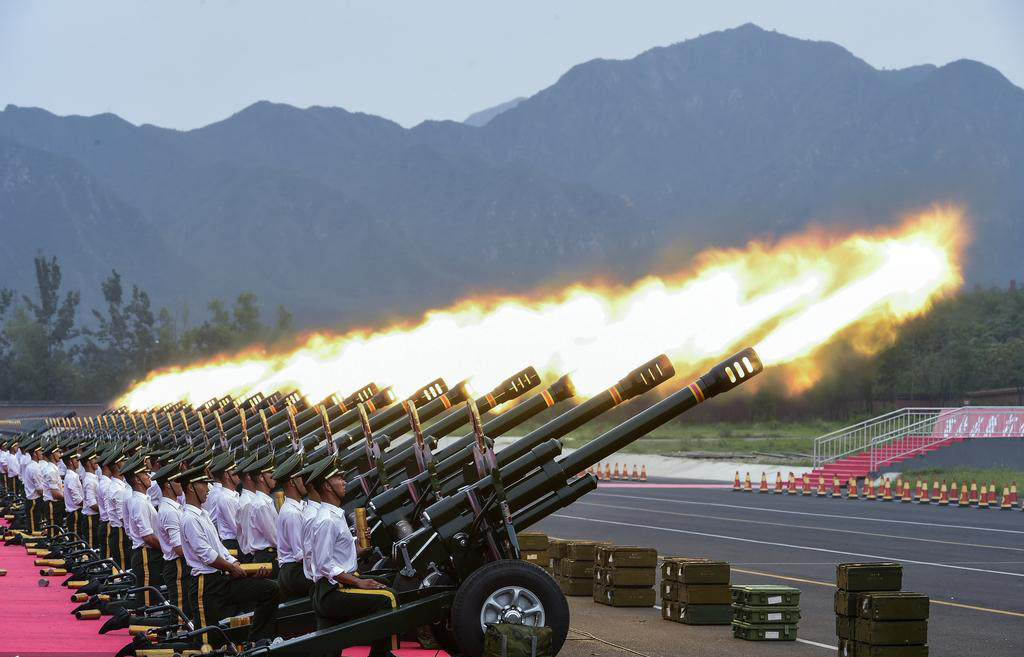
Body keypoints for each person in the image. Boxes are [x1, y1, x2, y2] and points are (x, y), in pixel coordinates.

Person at [177, 463, 280, 647]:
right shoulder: (189, 519)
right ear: (191, 488)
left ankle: (257, 641)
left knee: (270, 590)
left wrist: (235, 564)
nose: (208, 488)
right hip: (205, 584)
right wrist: (232, 567)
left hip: (221, 578)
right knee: (207, 643)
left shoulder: (202, 514)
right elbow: (206, 555)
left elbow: (220, 548)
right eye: (203, 484)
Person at [308, 457, 398, 657]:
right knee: (388, 597)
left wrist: (359, 547)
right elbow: (324, 564)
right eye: (339, 478)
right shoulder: (326, 520)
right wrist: (358, 582)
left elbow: (339, 557)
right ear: (327, 486)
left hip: (333, 586)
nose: (344, 482)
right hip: (332, 591)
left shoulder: (335, 515)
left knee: (385, 581)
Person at [122, 455, 165, 605]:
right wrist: (167, 548)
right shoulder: (139, 502)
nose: (149, 476)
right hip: (146, 554)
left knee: (152, 596)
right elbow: (148, 536)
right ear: (138, 480)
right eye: (145, 474)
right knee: (147, 601)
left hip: (149, 553)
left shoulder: (142, 500)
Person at [154, 460, 191, 618]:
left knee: (185, 611)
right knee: (181, 616)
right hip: (177, 565)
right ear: (168, 485)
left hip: (180, 564)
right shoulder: (170, 511)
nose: (181, 484)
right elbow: (179, 548)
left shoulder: (174, 507)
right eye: (177, 480)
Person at [273, 454, 312, 600]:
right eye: (301, 478)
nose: (305, 481)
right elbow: (301, 554)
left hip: (298, 568)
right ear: (292, 482)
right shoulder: (292, 513)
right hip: (295, 571)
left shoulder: (299, 507)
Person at [241, 455, 278, 573]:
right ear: (261, 478)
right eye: (270, 472)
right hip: (267, 557)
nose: (274, 475)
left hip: (270, 555)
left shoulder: (264, 501)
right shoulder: (261, 504)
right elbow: (275, 537)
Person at [80, 447, 101, 549]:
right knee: (91, 547)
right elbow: (92, 504)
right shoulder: (89, 480)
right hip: (91, 519)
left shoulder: (92, 477)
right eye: (94, 459)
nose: (96, 461)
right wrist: (105, 510)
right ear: (88, 463)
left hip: (94, 517)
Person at [62, 448, 84, 538]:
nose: (78, 462)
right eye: (76, 460)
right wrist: (89, 503)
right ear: (70, 462)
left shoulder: (72, 475)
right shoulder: (72, 477)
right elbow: (77, 500)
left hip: (74, 513)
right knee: (75, 540)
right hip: (75, 513)